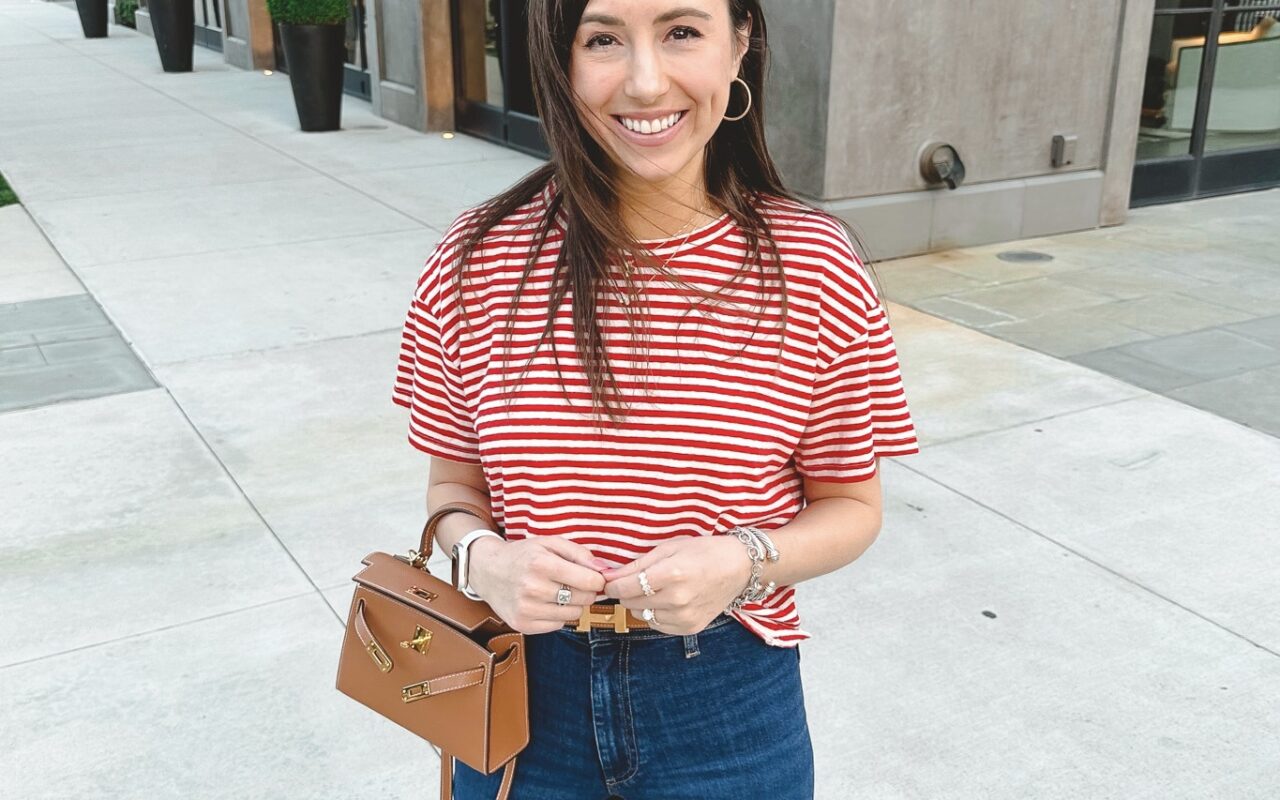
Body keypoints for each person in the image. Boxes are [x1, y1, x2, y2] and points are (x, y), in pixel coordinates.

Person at [391, 1, 921, 797]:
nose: (644, 82)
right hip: (521, 691)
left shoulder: (812, 267)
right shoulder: (474, 262)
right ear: (559, 61)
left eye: (682, 32)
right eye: (602, 39)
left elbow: (851, 505)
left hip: (728, 698)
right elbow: (455, 489)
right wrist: (485, 558)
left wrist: (742, 559)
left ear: (738, 46)